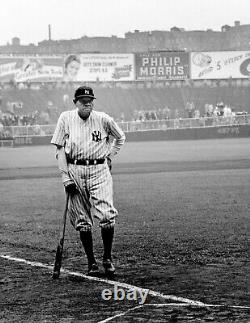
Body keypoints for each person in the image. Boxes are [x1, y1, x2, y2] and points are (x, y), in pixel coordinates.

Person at [51, 86, 126, 277]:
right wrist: (65, 176)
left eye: (90, 100)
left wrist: (109, 157)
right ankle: (91, 262)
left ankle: (107, 258)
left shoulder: (103, 119)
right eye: (83, 100)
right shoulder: (65, 118)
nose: (88, 103)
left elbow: (120, 138)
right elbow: (59, 150)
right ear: (75, 102)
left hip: (99, 169)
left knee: (107, 214)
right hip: (74, 169)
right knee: (82, 220)